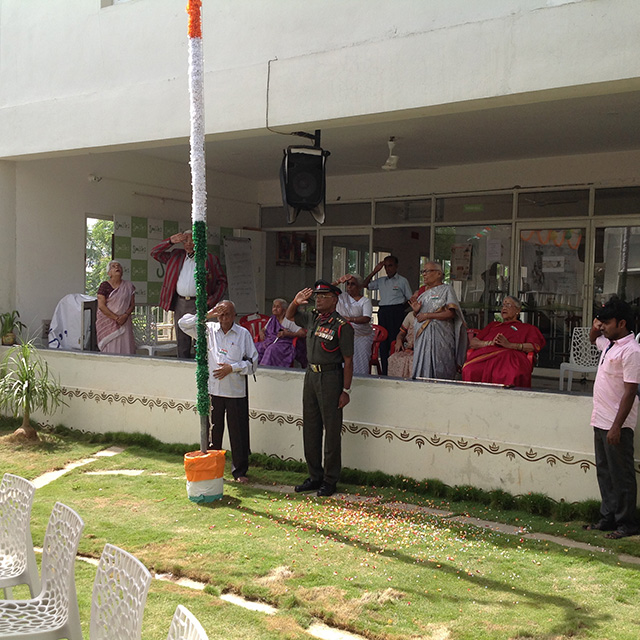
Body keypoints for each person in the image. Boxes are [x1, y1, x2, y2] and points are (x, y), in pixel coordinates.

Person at [286, 280, 354, 497]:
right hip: (311, 376)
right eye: (317, 296)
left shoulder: (342, 326)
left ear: (334, 300)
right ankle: (314, 476)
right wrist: (295, 302)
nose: (319, 299)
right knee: (311, 427)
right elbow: (289, 316)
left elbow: (348, 360)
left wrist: (346, 390)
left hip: (331, 377)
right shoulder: (312, 317)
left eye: (324, 296)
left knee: (332, 431)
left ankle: (330, 479)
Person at [178, 300, 258, 484]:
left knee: (238, 433)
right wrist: (209, 313)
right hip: (214, 390)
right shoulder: (209, 329)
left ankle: (239, 472)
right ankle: (213, 469)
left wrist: (233, 368)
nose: (223, 318)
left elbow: (253, 363)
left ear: (234, 316)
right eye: (220, 314)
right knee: (214, 433)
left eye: (227, 314)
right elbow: (183, 323)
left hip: (235, 392)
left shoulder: (243, 334)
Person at [583, 298, 640, 539]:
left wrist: (617, 426)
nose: (602, 326)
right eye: (601, 322)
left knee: (621, 474)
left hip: (617, 424)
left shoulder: (631, 351)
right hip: (601, 419)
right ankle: (608, 517)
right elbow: (592, 338)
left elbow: (630, 391)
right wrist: (597, 326)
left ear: (623, 323)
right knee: (605, 472)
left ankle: (627, 523)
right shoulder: (610, 345)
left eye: (607, 322)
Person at [151, 231, 227, 359]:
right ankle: (183, 368)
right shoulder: (176, 255)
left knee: (200, 340)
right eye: (185, 241)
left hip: (200, 303)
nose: (188, 244)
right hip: (180, 303)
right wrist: (170, 240)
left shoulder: (209, 259)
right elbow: (155, 253)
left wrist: (211, 301)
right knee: (182, 341)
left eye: (192, 240)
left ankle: (200, 371)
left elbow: (222, 282)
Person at [461, 296, 545, 387]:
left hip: (511, 358)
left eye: (508, 305)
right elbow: (473, 343)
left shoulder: (528, 328)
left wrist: (509, 345)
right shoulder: (493, 325)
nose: (504, 308)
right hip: (486, 356)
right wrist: (489, 343)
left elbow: (533, 346)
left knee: (509, 373)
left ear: (518, 310)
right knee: (470, 369)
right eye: (503, 305)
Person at [410, 262, 467, 380]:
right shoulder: (423, 293)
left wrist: (427, 315)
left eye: (427, 271)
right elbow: (419, 317)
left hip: (441, 336)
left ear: (438, 273)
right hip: (423, 336)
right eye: (423, 271)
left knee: (441, 367)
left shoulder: (446, 289)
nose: (424, 274)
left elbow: (451, 313)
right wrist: (416, 312)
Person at [363, 256, 412, 375]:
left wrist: (399, 309)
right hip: (384, 311)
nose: (387, 268)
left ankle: (395, 370)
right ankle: (384, 371)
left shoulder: (402, 281)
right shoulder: (381, 281)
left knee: (395, 340)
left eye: (390, 265)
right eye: (385, 266)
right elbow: (365, 285)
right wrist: (375, 271)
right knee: (383, 342)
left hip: (396, 312)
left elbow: (410, 299)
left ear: (396, 266)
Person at [334, 274, 373, 376]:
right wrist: (338, 281)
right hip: (344, 335)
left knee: (360, 363)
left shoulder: (365, 301)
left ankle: (361, 383)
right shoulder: (342, 297)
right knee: (343, 362)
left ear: (359, 287)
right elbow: (326, 290)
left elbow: (366, 318)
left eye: (353, 284)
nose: (349, 287)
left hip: (361, 336)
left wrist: (350, 319)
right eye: (347, 284)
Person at [95, 260, 136, 354]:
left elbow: (132, 304)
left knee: (125, 347)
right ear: (109, 273)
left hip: (125, 322)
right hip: (108, 322)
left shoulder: (129, 286)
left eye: (118, 266)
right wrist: (117, 318)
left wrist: (125, 316)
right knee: (110, 349)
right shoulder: (104, 286)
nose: (117, 267)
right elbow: (101, 306)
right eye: (113, 266)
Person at [257, 298, 307, 368]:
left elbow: (303, 333)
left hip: (285, 344)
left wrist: (287, 334)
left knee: (271, 349)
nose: (275, 309)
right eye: (274, 306)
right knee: (256, 347)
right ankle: (255, 369)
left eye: (278, 307)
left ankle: (266, 369)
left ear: (285, 309)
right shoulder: (272, 319)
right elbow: (264, 329)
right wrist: (261, 332)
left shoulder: (289, 320)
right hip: (271, 341)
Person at [387, 311, 416, 379]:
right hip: (409, 349)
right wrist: (399, 340)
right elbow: (401, 334)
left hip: (422, 350)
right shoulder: (410, 315)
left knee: (412, 361)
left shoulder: (429, 315)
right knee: (393, 359)